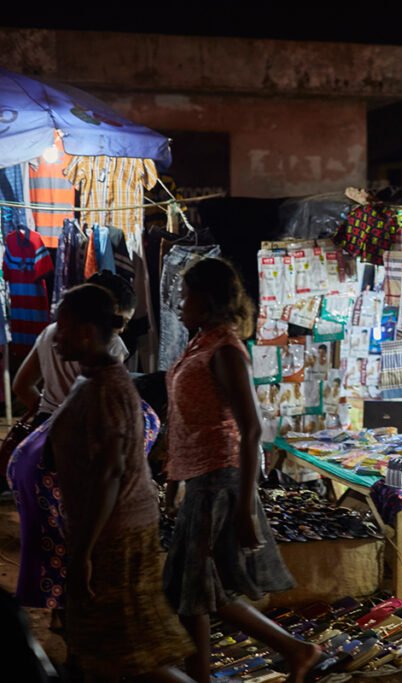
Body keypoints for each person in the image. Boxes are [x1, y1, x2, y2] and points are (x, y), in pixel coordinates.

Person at [162, 258, 319, 682]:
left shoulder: (227, 350)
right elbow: (182, 418)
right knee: (192, 588)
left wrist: (245, 508)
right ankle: (211, 672)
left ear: (207, 299)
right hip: (200, 474)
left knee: (197, 588)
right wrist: (175, 479)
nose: (178, 302)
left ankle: (295, 649)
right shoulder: (200, 343)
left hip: (222, 476)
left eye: (186, 294)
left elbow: (251, 430)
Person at [47, 284, 193, 681]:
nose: (55, 336)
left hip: (117, 534)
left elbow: (109, 476)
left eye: (62, 327)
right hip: (106, 528)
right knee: (114, 650)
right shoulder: (91, 379)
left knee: (131, 652)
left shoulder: (108, 389)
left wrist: (84, 552)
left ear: (85, 331)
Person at [13, 272, 135, 427]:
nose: (122, 329)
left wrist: (46, 412)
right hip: (83, 431)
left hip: (46, 422)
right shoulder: (112, 346)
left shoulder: (50, 331)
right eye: (122, 321)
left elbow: (21, 386)